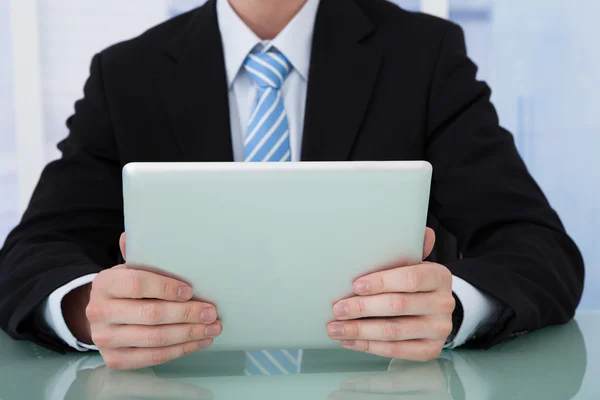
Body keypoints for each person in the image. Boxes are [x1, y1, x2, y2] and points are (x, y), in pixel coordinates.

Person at [0, 0, 584, 371]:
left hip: (376, 385)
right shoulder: (126, 73)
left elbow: (537, 248)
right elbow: (31, 254)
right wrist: (82, 309)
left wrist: (453, 308)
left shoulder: (423, 55)